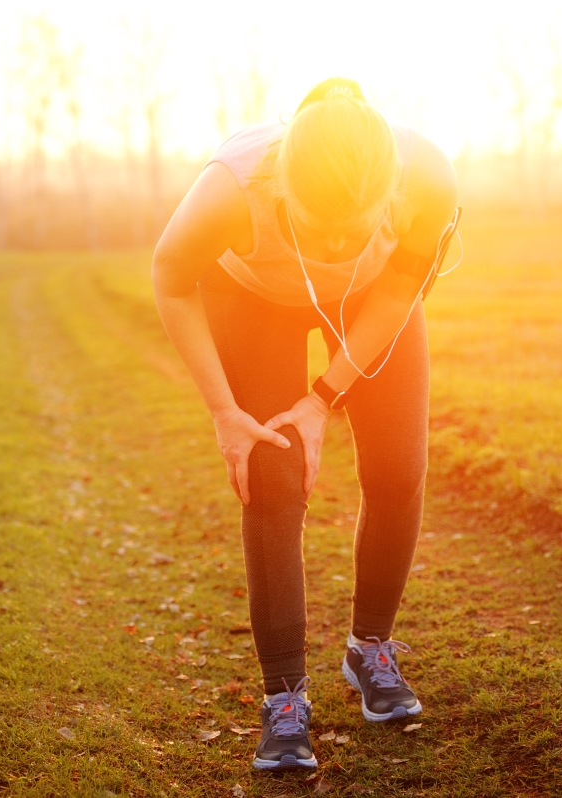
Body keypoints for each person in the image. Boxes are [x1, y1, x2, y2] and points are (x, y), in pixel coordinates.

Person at [151, 77, 459, 771]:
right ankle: (284, 698)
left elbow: (402, 285)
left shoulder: (428, 179)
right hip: (253, 297)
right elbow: (169, 276)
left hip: (369, 302)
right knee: (274, 477)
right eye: (321, 229)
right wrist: (226, 412)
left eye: (357, 227)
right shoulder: (233, 190)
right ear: (284, 189)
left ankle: (369, 651)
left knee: (397, 470)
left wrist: (323, 397)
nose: (339, 243)